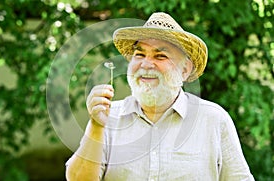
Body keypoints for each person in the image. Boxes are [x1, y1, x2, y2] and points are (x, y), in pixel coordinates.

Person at [65, 12, 254, 181]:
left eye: (160, 56)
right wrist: (96, 127)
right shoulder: (107, 117)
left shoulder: (213, 119)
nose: (146, 64)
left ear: (185, 70)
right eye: (140, 54)